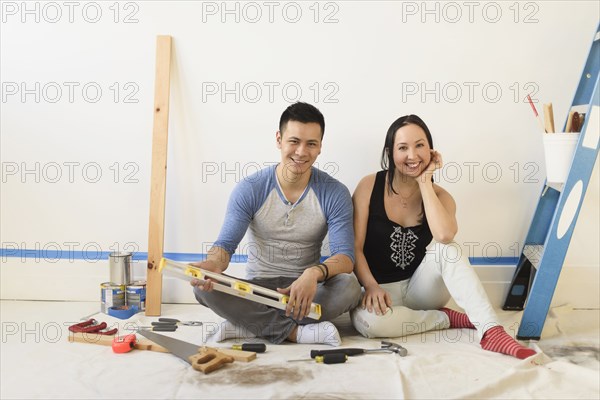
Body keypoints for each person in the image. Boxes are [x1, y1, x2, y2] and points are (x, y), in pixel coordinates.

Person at [350, 114, 536, 359]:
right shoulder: (368, 186)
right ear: (390, 153)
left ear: (431, 150)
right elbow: (356, 247)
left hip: (422, 290)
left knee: (447, 248)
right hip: (380, 293)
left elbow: (445, 235)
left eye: (420, 145)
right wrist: (371, 286)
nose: (412, 155)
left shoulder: (441, 196)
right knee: (371, 325)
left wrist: (425, 181)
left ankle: (491, 331)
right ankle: (445, 317)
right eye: (402, 148)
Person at [192, 102, 361, 346]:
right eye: (294, 141)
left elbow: (345, 258)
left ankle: (248, 325)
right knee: (202, 288)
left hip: (305, 289)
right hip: (257, 289)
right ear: (279, 139)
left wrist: (313, 273)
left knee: (350, 287)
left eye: (311, 144)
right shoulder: (251, 188)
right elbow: (225, 245)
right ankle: (296, 333)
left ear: (320, 147)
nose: (301, 152)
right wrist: (212, 264)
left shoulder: (334, 192)